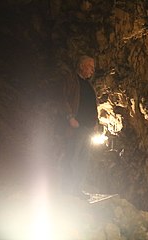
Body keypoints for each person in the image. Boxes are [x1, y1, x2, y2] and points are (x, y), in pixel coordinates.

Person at [61, 55, 98, 197]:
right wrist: (70, 117)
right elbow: (63, 99)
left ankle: (77, 189)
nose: (92, 70)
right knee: (72, 157)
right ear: (82, 65)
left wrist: (95, 123)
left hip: (88, 128)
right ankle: (67, 190)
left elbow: (92, 106)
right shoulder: (72, 80)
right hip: (77, 127)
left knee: (83, 160)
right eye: (90, 67)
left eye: (93, 68)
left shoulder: (89, 85)